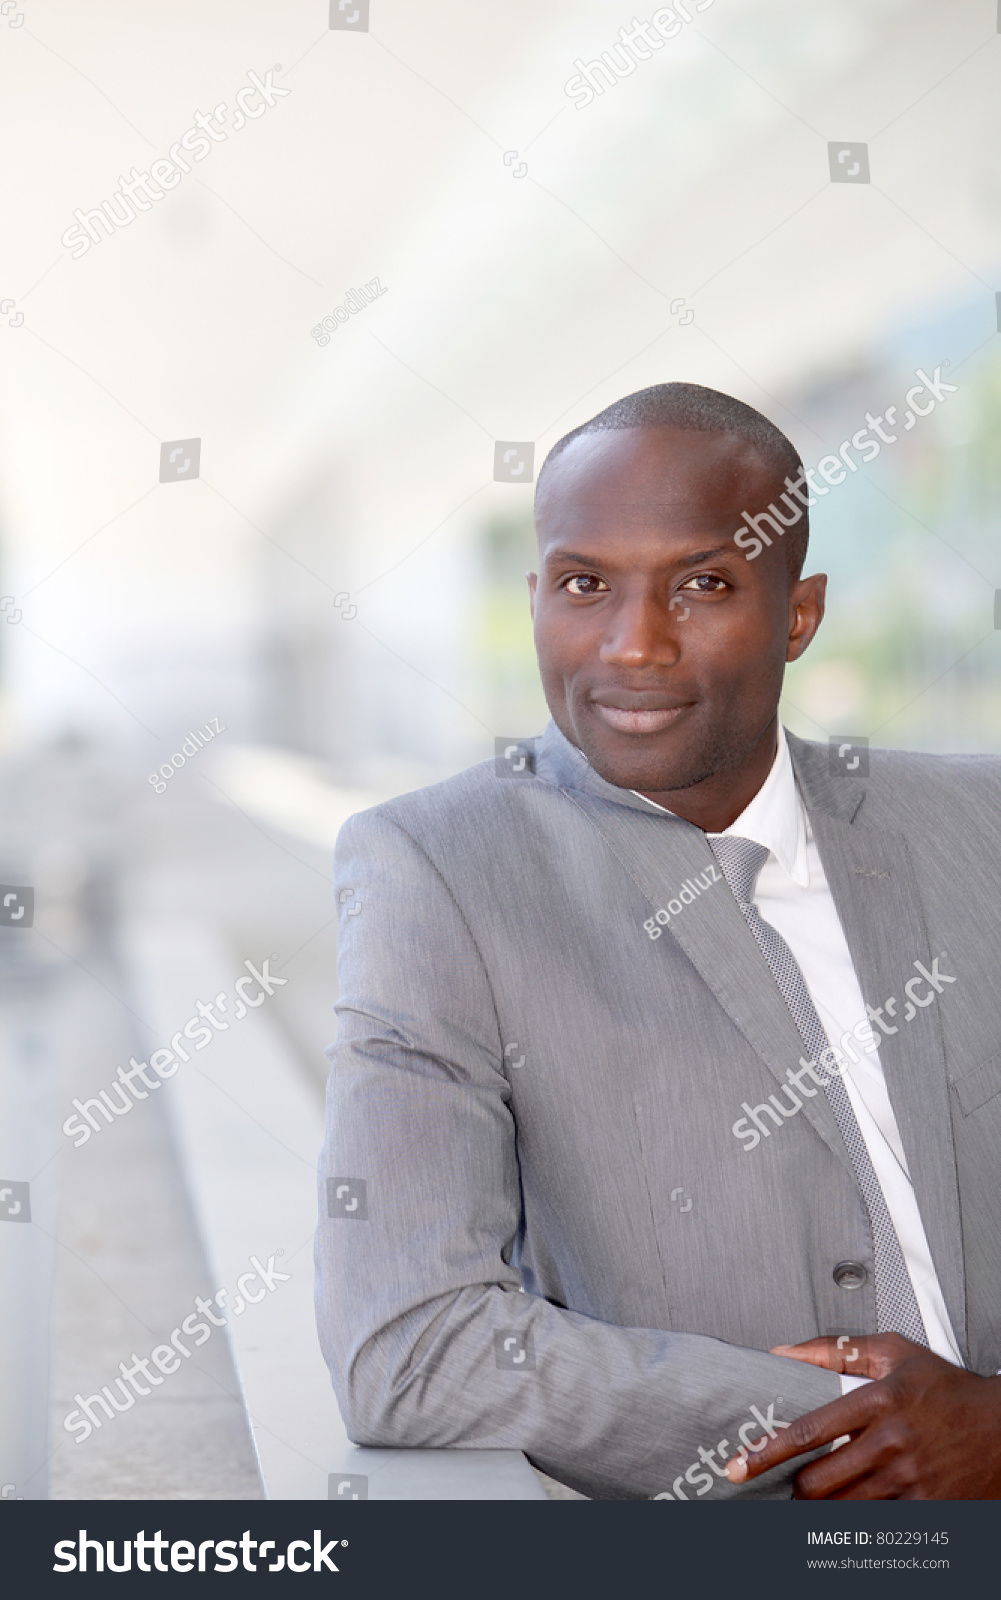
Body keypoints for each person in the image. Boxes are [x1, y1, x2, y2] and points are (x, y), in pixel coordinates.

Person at [315, 382, 1001, 1500]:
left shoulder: (978, 827)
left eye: (701, 584)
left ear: (797, 613)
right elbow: (410, 1345)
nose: (632, 646)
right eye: (584, 585)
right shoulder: (434, 871)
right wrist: (872, 1430)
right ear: (535, 593)